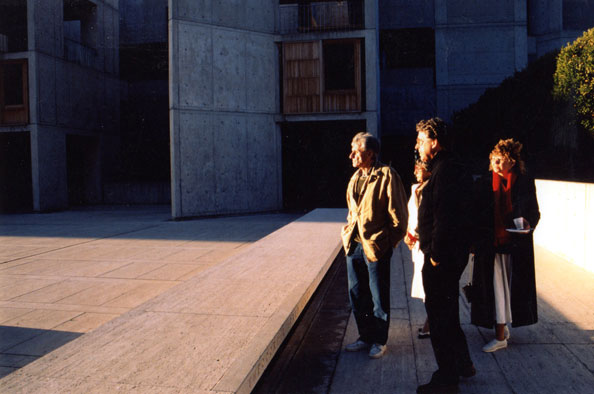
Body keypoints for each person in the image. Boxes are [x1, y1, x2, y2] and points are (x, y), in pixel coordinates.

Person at [414, 118, 475, 393]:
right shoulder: (447, 166)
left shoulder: (445, 169)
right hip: (449, 254)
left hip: (442, 256)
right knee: (448, 313)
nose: (418, 146)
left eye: (421, 140)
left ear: (435, 142)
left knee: (439, 317)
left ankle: (447, 378)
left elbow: (445, 215)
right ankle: (462, 364)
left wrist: (436, 255)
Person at [341, 131, 408, 359]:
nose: (351, 155)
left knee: (378, 296)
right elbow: (353, 212)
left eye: (356, 152)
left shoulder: (387, 175)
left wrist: (388, 243)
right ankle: (365, 336)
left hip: (376, 247)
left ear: (370, 154)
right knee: (357, 294)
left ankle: (379, 340)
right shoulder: (355, 177)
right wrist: (348, 232)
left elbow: (399, 216)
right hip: (354, 245)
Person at [470, 138, 540, 352]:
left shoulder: (524, 182)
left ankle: (502, 332)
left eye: (500, 161)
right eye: (493, 160)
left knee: (509, 289)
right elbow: (475, 215)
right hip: (491, 244)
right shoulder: (483, 182)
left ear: (512, 162)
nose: (495, 165)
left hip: (516, 244)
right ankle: (500, 333)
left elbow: (534, 212)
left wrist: (529, 223)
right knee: (496, 288)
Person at [404, 159, 431, 338]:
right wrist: (408, 234)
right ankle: (432, 321)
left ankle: (430, 323)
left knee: (429, 285)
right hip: (416, 243)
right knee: (423, 283)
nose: (416, 171)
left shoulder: (432, 189)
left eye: (419, 168)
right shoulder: (415, 189)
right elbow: (411, 216)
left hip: (428, 242)